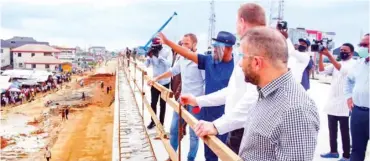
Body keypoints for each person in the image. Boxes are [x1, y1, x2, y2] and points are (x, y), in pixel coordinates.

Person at [179, 2, 310, 154]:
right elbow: (234, 91)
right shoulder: (253, 48)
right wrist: (199, 101)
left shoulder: (297, 108)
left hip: (242, 127)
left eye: (243, 57)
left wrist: (217, 126)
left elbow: (252, 97)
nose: (240, 64)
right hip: (239, 128)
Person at [239, 27, 319, 160]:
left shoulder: (296, 111)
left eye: (243, 57)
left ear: (257, 62)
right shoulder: (264, 93)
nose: (240, 64)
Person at [158, 30, 236, 161]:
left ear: (229, 49)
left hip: (226, 117)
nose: (214, 50)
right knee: (209, 153)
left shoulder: (236, 68)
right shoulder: (209, 61)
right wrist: (168, 42)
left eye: (218, 47)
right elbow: (187, 54)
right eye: (214, 46)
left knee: (225, 152)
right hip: (208, 114)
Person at [147, 33, 205, 161]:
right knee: (173, 129)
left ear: (195, 44)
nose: (183, 46)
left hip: (195, 102)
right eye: (182, 43)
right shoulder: (181, 58)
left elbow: (206, 82)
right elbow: (173, 71)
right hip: (182, 100)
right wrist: (156, 78)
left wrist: (201, 103)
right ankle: (172, 156)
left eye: (187, 44)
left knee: (194, 135)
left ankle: (191, 158)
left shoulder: (200, 59)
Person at [319, 43, 355, 161]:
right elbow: (321, 70)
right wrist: (320, 55)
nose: (342, 52)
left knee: (344, 132)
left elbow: (342, 70)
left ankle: (346, 156)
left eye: (345, 50)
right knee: (332, 130)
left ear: (352, 53)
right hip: (332, 103)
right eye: (341, 50)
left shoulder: (353, 64)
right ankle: (333, 151)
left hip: (344, 104)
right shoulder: (336, 64)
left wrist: (329, 55)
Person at [344, 33, 369, 161]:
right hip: (358, 112)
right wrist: (348, 97)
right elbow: (348, 80)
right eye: (361, 45)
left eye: (365, 45)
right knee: (357, 149)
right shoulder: (359, 64)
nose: (362, 48)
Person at [145, 38, 172, 129]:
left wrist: (160, 57)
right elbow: (146, 65)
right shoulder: (152, 51)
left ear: (160, 45)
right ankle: (153, 121)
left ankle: (161, 123)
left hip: (165, 82)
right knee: (153, 102)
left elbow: (169, 65)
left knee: (162, 104)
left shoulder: (167, 51)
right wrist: (148, 57)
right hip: (155, 82)